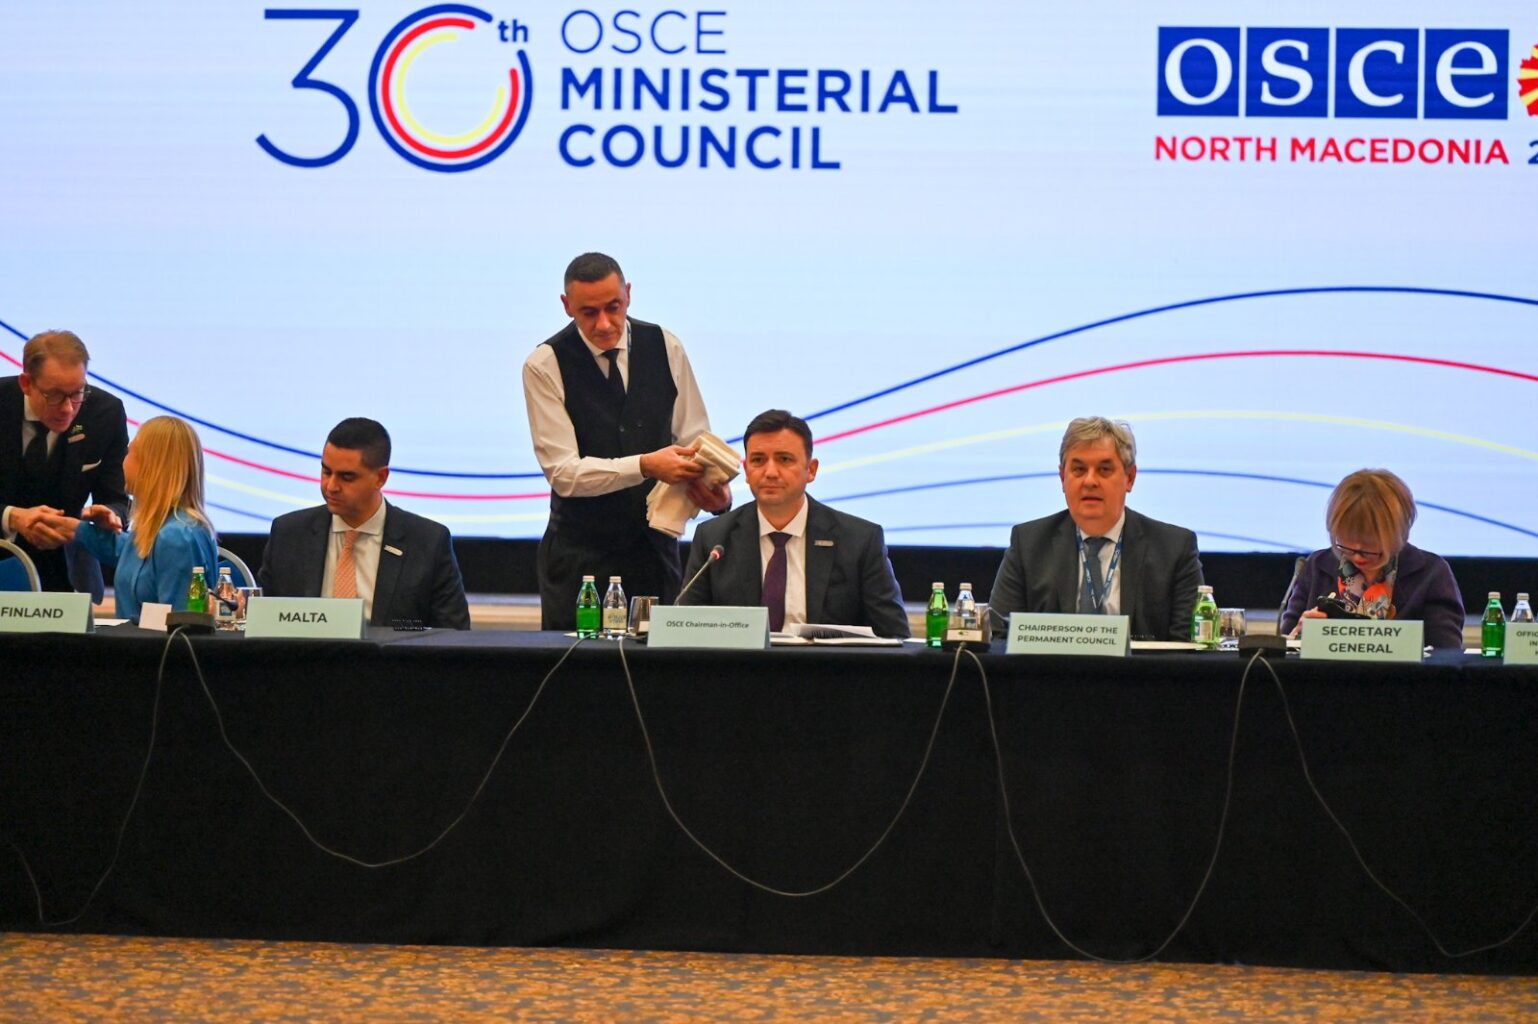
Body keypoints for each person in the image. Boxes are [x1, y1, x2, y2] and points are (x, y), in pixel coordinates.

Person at [523, 252, 730, 629]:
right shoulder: (544, 364)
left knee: (655, 663)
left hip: (654, 552)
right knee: (575, 663)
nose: (604, 323)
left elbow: (695, 442)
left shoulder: (666, 346)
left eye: (613, 307)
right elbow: (565, 474)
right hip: (579, 558)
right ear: (566, 306)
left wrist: (712, 491)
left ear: (628, 294)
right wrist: (645, 465)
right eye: (589, 312)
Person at [680, 410, 910, 638]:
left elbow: (894, 635)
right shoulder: (714, 538)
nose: (770, 472)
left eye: (784, 459)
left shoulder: (859, 540)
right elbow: (686, 631)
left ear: (811, 470)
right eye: (758, 460)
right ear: (747, 470)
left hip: (827, 662)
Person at [989, 416, 1204, 641]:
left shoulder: (1174, 549)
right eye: (1079, 470)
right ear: (1062, 478)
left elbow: (1190, 645)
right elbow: (998, 635)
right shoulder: (1029, 544)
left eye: (1104, 470)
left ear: (1130, 478)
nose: (1090, 481)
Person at [258, 418, 471, 630]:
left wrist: (393, 631)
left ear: (381, 478)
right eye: (326, 472)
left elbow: (452, 633)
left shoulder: (428, 542)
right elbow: (262, 621)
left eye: (346, 477)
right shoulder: (289, 534)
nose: (331, 486)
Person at [41, 416, 218, 622]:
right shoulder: (163, 528)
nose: (123, 461)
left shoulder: (177, 537)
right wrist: (74, 527)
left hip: (146, 642)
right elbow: (131, 553)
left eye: (130, 452)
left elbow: (179, 626)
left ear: (151, 466)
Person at [1, 329, 129, 597]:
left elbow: (117, 500)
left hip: (68, 576)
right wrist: (12, 517)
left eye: (77, 393)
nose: (68, 408)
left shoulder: (106, 413)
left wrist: (109, 515)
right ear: (26, 383)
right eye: (55, 395)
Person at [1279, 468, 1464, 650]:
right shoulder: (1316, 566)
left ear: (1398, 533)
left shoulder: (1431, 573)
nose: (1357, 556)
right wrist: (1298, 636)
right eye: (1347, 545)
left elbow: (1446, 655)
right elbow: (1283, 649)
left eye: (1370, 546)